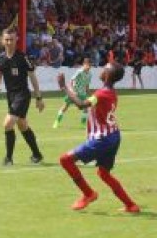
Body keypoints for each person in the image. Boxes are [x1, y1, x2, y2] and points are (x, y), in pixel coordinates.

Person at [57, 63, 140, 213]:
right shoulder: (111, 92)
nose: (102, 70)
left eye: (105, 69)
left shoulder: (101, 94)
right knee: (103, 173)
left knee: (65, 160)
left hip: (101, 140)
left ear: (107, 75)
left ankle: (89, 194)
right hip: (113, 136)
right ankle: (131, 205)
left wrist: (64, 87)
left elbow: (82, 105)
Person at [0, 28, 45, 166]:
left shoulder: (23, 58)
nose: (9, 42)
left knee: (7, 124)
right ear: (2, 41)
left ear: (17, 40)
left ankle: (8, 159)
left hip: (22, 95)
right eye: (6, 39)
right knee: (22, 125)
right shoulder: (1, 58)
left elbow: (33, 77)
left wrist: (39, 98)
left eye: (11, 39)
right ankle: (37, 154)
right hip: (10, 96)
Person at [53, 58, 92, 129]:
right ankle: (57, 122)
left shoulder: (90, 74)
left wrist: (88, 94)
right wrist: (71, 90)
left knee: (86, 108)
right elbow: (71, 80)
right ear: (84, 64)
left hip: (82, 93)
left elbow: (87, 85)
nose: (88, 66)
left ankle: (83, 124)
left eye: (89, 65)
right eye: (87, 64)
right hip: (74, 92)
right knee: (65, 107)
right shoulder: (79, 71)